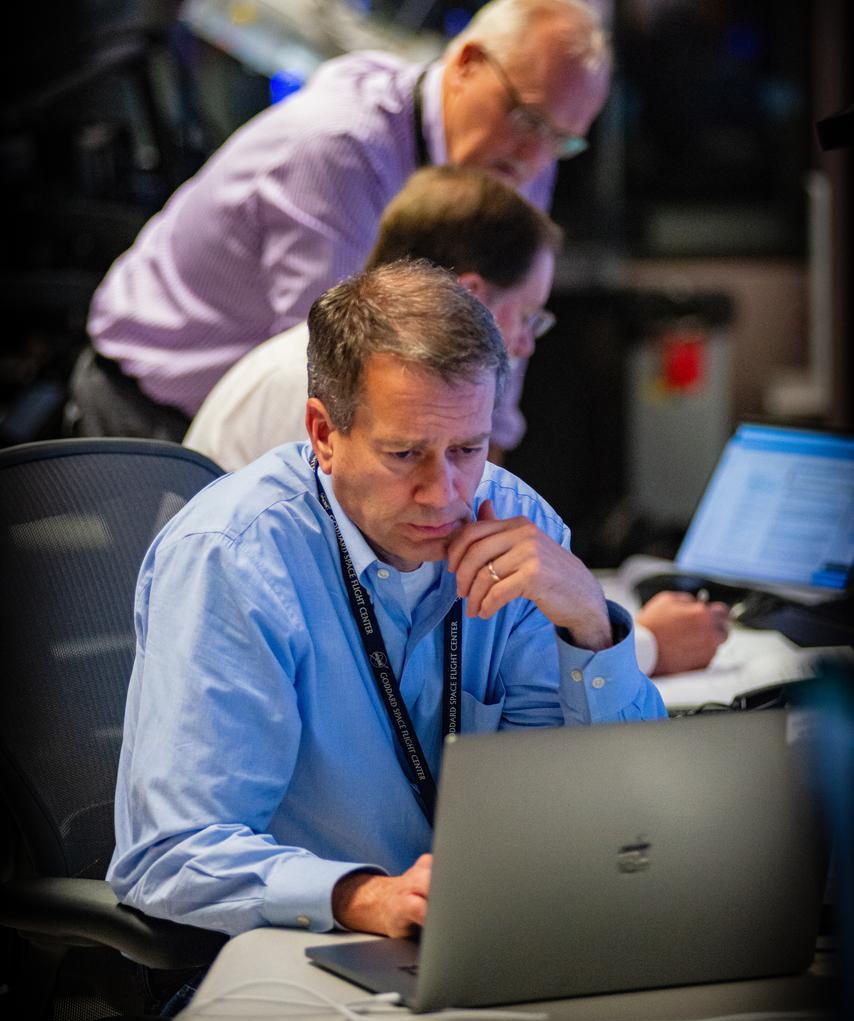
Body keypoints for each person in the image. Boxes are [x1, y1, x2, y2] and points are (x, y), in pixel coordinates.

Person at [108, 261, 666, 941]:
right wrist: (364, 898)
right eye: (405, 454)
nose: (444, 491)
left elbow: (621, 807)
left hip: (492, 935)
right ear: (322, 434)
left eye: (468, 447)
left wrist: (587, 622)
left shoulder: (520, 524)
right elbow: (172, 855)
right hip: (297, 955)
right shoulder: (232, 556)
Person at [183, 165, 729, 679]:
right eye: (527, 315)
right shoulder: (321, 387)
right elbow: (367, 666)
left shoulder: (375, 389)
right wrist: (643, 645)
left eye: (467, 449)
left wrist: (583, 609)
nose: (522, 342)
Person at [67, 0, 611, 452]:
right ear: (466, 62)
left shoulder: (515, 157)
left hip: (297, 420)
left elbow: (504, 333)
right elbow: (335, 374)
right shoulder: (337, 147)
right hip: (150, 410)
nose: (536, 157)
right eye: (526, 119)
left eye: (563, 140)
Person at [184, 165, 562, 470]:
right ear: (472, 296)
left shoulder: (340, 365)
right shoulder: (321, 377)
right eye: (527, 318)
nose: (526, 345)